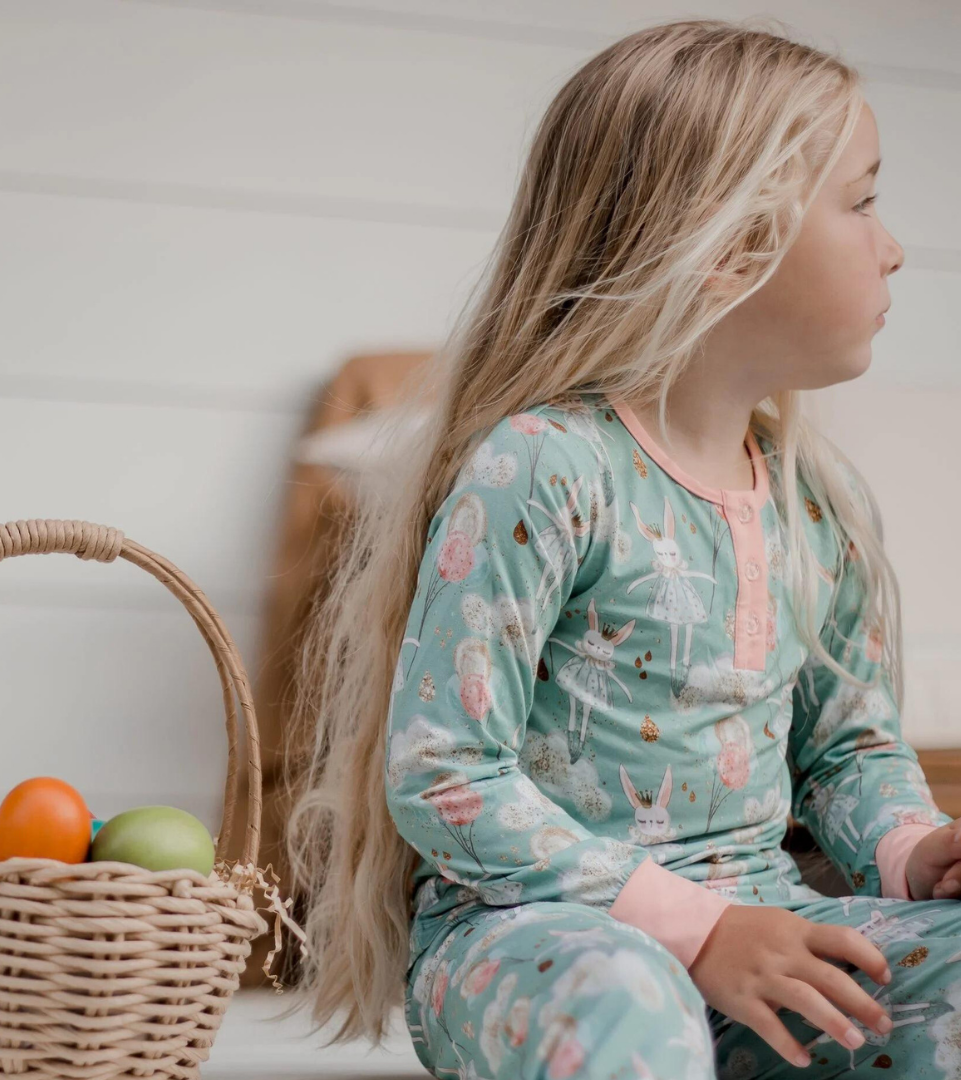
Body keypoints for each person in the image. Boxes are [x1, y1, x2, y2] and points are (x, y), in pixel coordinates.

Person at [275, 18, 961, 1079]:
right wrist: (692, 931)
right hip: (532, 939)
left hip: (765, 934)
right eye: (863, 202)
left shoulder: (816, 501)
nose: (894, 245)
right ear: (733, 244)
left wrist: (914, 852)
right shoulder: (543, 468)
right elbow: (444, 770)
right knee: (628, 1002)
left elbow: (845, 750)